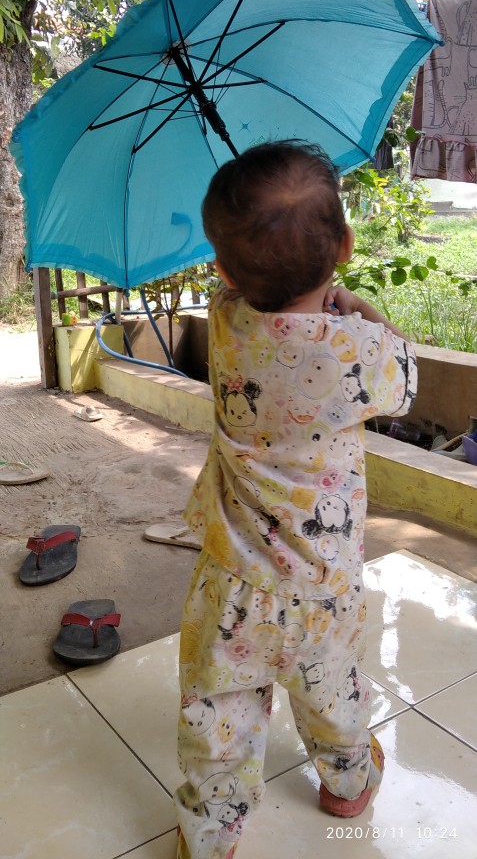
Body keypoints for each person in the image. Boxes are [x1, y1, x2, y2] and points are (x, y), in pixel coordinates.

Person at [174, 141, 417, 859]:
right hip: (323, 584)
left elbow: (255, 293)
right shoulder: (356, 351)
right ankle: (346, 784)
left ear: (224, 271)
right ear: (344, 245)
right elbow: (404, 378)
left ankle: (210, 837)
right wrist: (359, 309)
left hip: (231, 580)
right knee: (333, 690)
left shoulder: (226, 319)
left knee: (217, 715)